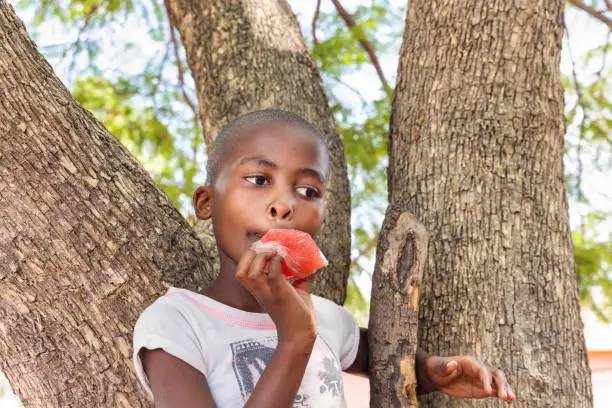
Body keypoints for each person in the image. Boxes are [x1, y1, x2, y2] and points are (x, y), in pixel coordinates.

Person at [132, 109, 516, 407]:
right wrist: (295, 340)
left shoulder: (327, 318)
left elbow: (381, 356)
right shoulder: (177, 324)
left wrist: (435, 371)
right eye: (259, 180)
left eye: (308, 191)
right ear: (206, 203)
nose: (283, 205)